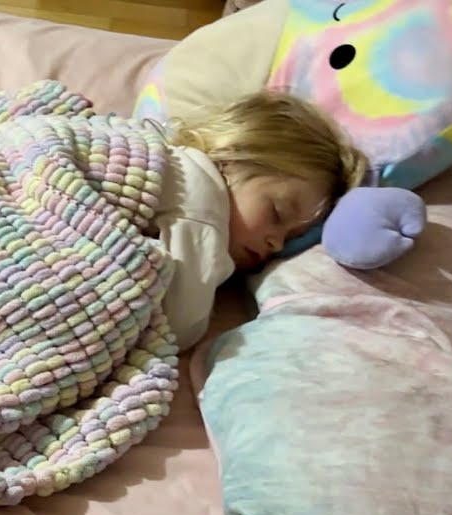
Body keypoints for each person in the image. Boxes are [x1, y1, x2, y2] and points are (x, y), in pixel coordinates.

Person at [147, 90, 368, 350]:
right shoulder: (202, 193)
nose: (277, 244)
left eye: (291, 237)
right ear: (229, 158)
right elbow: (178, 326)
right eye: (277, 213)